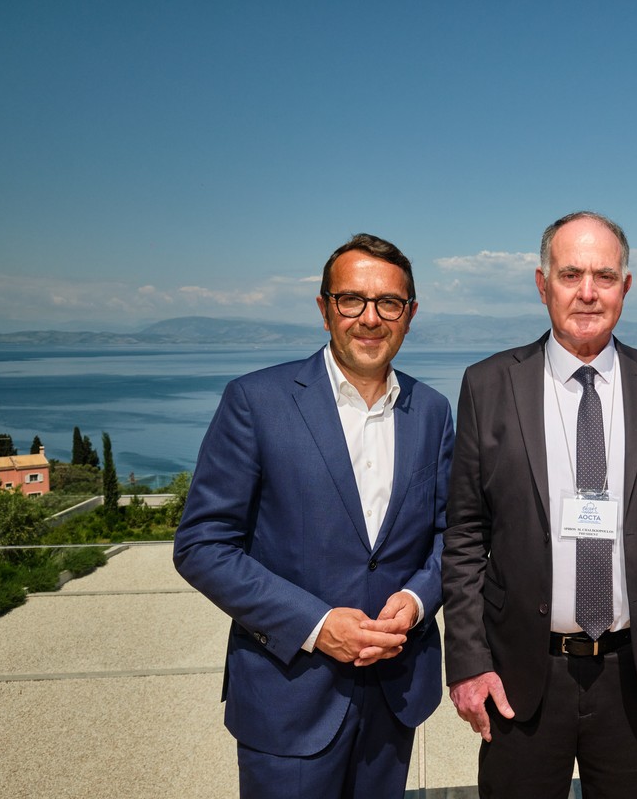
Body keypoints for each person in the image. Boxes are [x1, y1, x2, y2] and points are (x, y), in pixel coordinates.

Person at [173, 233, 454, 798]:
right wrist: (318, 625)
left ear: (410, 313)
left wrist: (418, 599)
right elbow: (202, 545)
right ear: (325, 308)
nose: (370, 318)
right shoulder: (256, 401)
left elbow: (452, 535)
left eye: (388, 303)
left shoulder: (432, 410)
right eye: (352, 300)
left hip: (395, 693)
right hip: (288, 698)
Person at [442, 210, 637, 797]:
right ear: (543, 285)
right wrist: (466, 661)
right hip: (519, 675)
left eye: (604, 276)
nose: (588, 292)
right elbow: (464, 535)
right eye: (570, 275)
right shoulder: (488, 385)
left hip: (636, 677)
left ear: (625, 287)